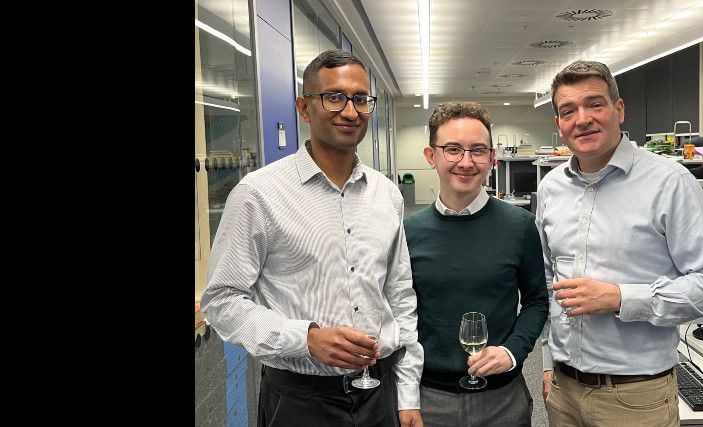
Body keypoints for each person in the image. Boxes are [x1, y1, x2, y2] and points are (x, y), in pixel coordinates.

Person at [201, 49, 424, 427]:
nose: (350, 111)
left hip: (379, 394)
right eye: (334, 97)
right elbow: (221, 301)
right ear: (305, 108)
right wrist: (305, 338)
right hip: (299, 400)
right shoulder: (258, 194)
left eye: (359, 98)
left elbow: (400, 297)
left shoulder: (386, 194)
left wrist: (407, 395)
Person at [536, 60, 703, 427]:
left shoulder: (669, 183)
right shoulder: (550, 188)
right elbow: (549, 282)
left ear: (619, 109)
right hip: (563, 393)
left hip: (636, 399)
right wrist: (549, 363)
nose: (582, 119)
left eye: (595, 104)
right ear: (559, 125)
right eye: (569, 111)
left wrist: (622, 298)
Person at [403, 101, 549, 426]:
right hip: (428, 399)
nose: (466, 162)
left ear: (492, 158)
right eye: (453, 149)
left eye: (478, 150)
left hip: (502, 400)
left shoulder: (520, 226)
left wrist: (512, 352)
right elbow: (399, 313)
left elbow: (538, 301)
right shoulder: (408, 233)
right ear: (432, 156)